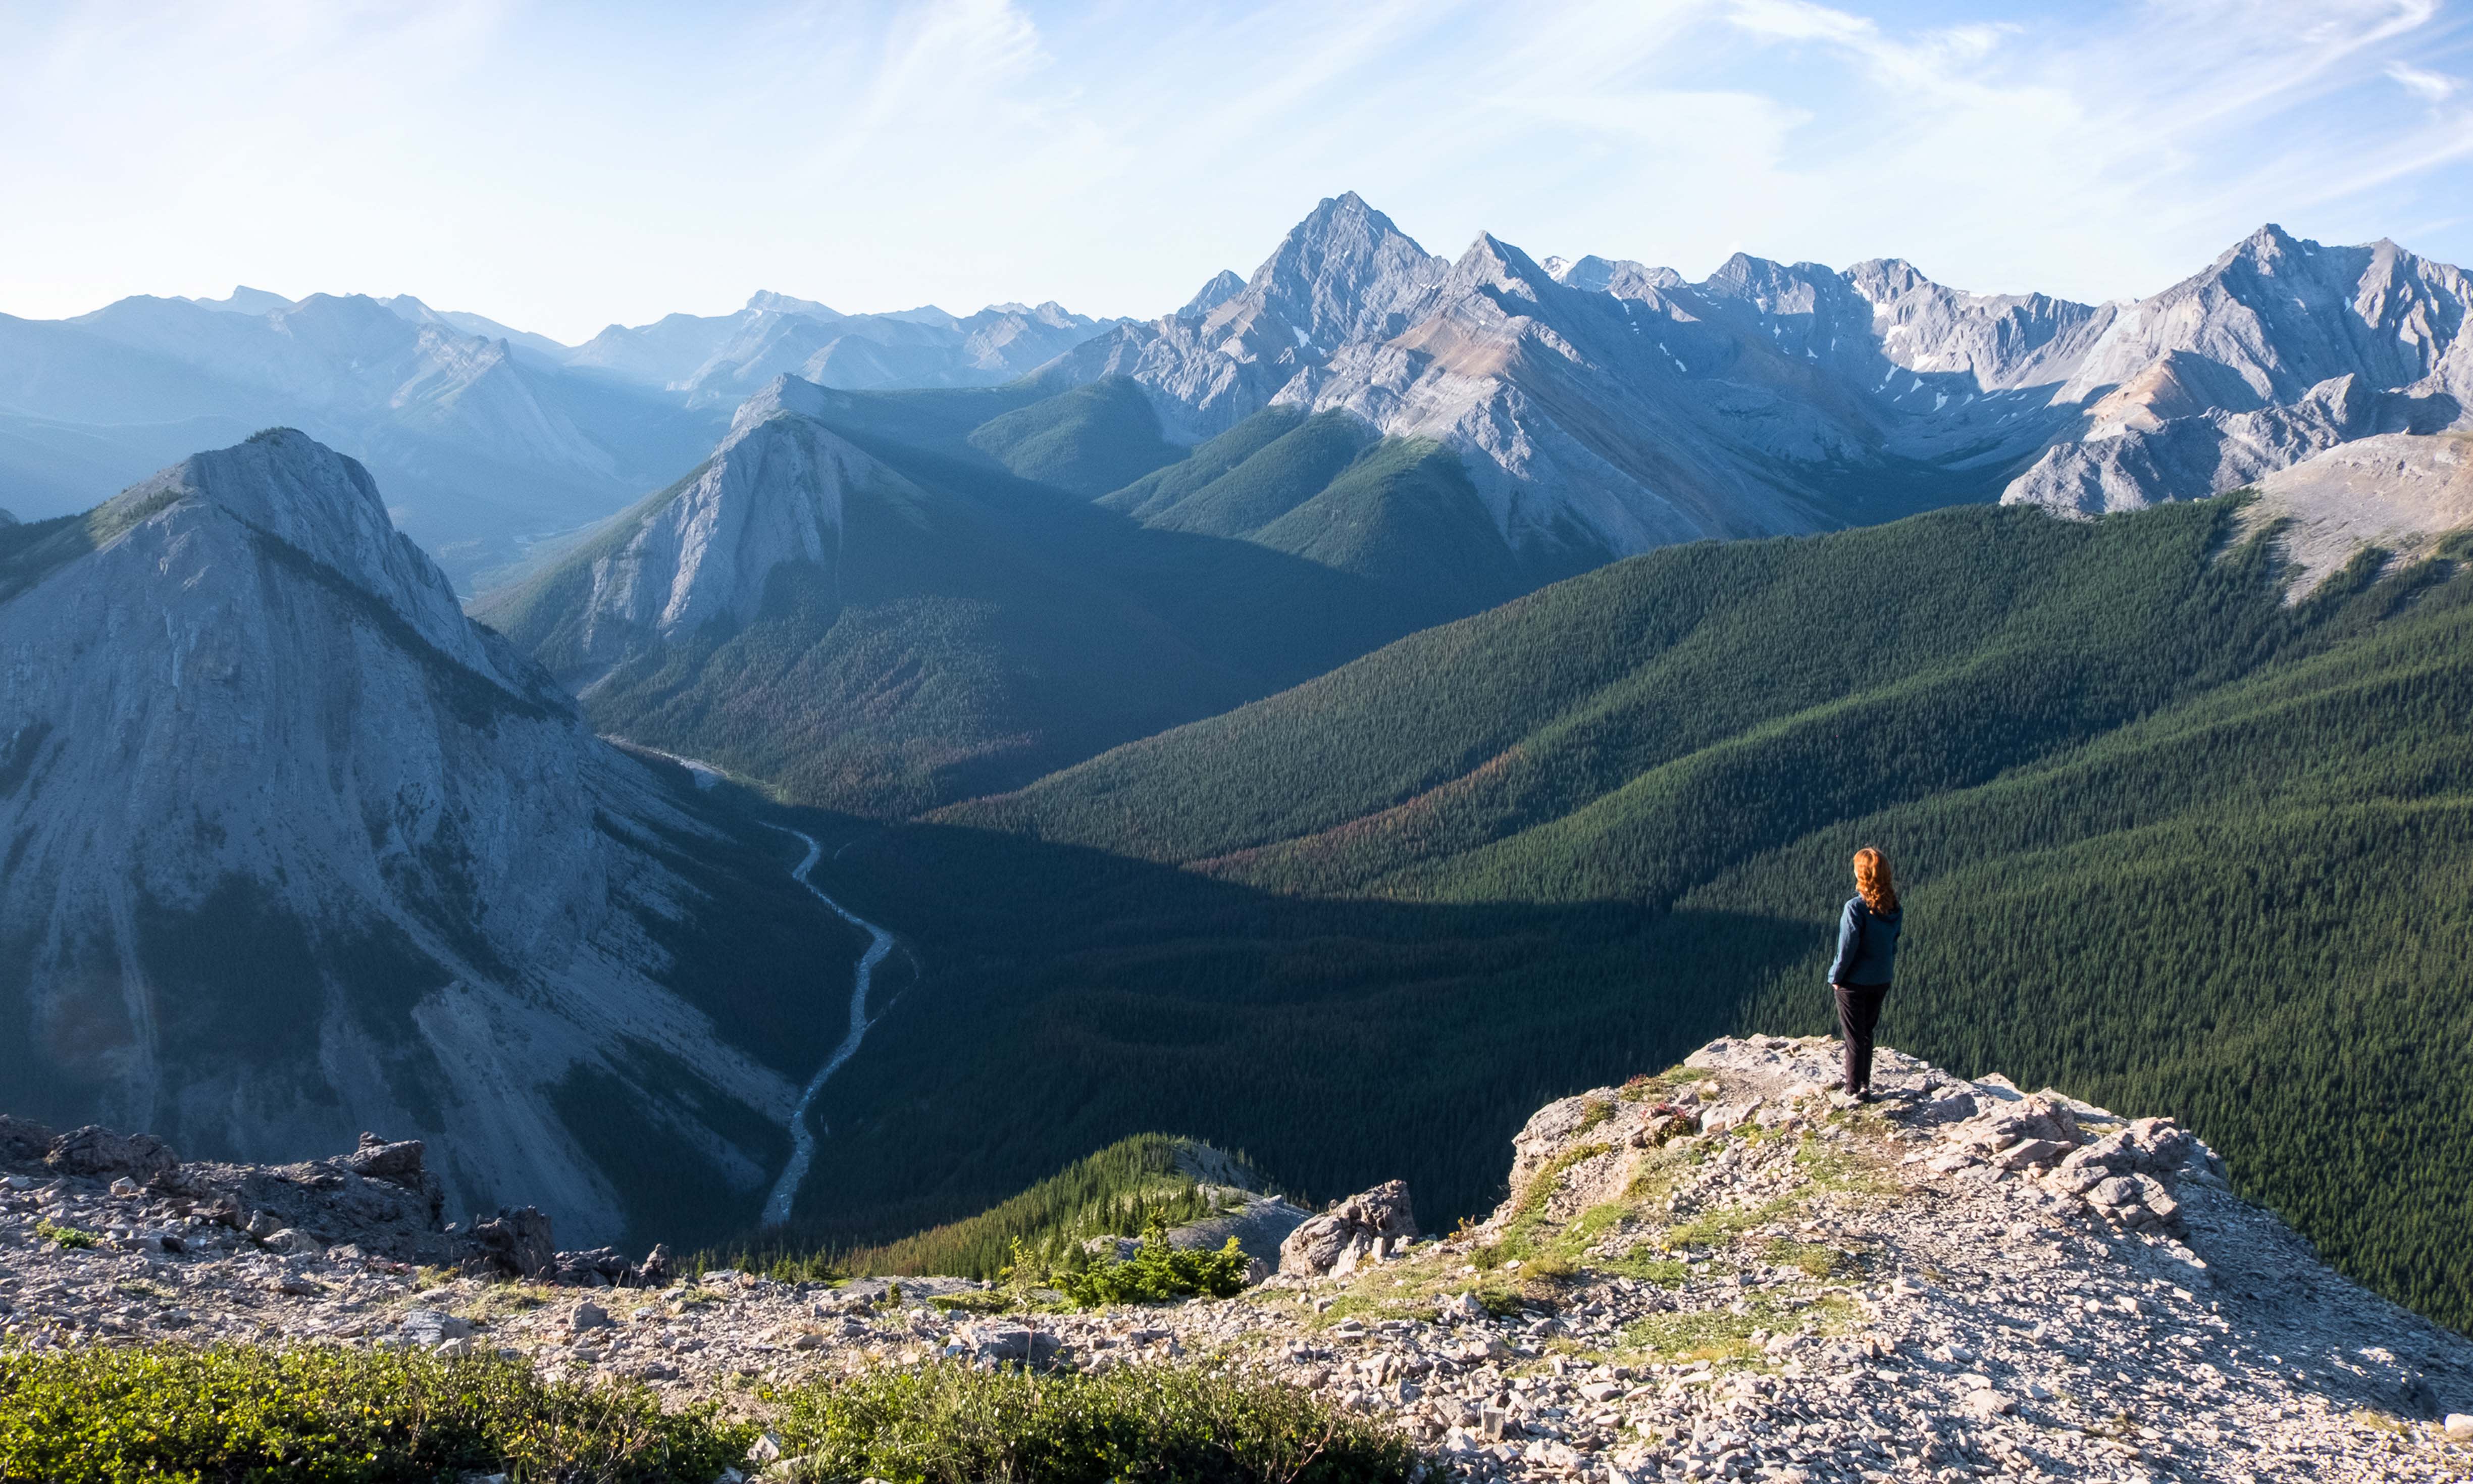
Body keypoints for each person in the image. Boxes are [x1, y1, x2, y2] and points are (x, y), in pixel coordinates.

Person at [1827, 847, 1902, 1100]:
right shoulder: (1893, 907)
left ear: (1862, 875)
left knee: (1854, 1038)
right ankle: (1865, 1085)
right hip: (1882, 978)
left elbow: (1847, 948)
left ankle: (1852, 1091)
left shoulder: (1855, 908)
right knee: (1867, 1033)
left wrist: (1836, 977)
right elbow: (1893, 944)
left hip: (1854, 981)